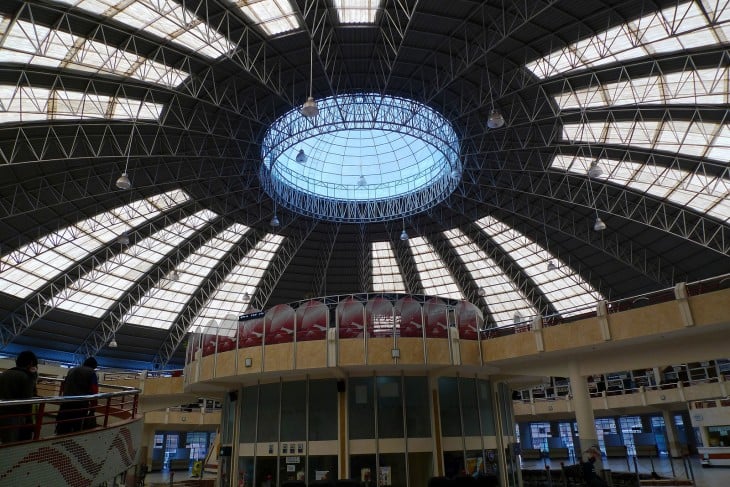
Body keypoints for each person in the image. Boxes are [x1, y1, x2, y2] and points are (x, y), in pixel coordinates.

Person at [0, 350, 39, 443]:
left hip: (1, 411)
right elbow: (28, 402)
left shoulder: (5, 374)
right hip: (14, 417)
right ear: (31, 363)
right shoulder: (27, 377)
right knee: (11, 445)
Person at [56, 357, 99, 434]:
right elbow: (94, 390)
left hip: (66, 402)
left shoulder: (71, 370)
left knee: (63, 426)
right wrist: (94, 405)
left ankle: (58, 440)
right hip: (80, 404)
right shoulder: (91, 373)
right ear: (93, 366)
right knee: (76, 427)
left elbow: (64, 385)